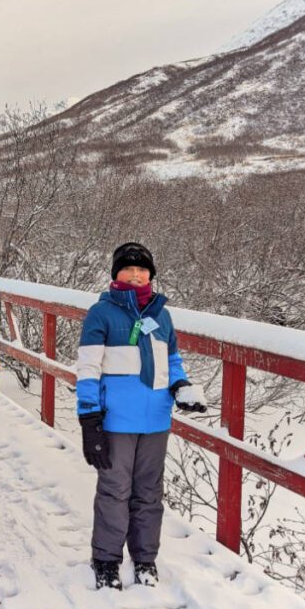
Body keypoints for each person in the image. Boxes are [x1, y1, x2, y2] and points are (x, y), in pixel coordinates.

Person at [75, 242, 208, 589]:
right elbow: (88, 368)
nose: (136, 274)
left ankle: (145, 558)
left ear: (150, 275)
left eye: (142, 269)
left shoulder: (161, 316)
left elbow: (173, 360)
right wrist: (89, 417)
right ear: (115, 274)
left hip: (156, 420)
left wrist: (181, 387)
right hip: (116, 420)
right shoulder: (100, 314)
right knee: (115, 490)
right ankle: (105, 559)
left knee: (149, 492)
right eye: (128, 268)